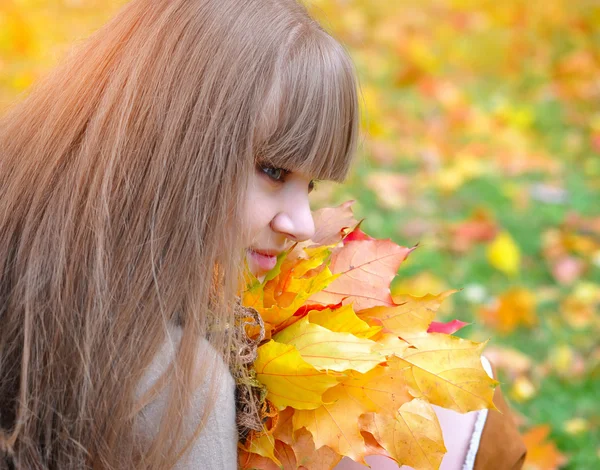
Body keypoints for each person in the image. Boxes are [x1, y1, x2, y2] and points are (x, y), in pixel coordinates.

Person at [0, 0, 525, 468]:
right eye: (274, 170)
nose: (298, 225)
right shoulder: (180, 388)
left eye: (309, 184)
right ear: (169, 134)